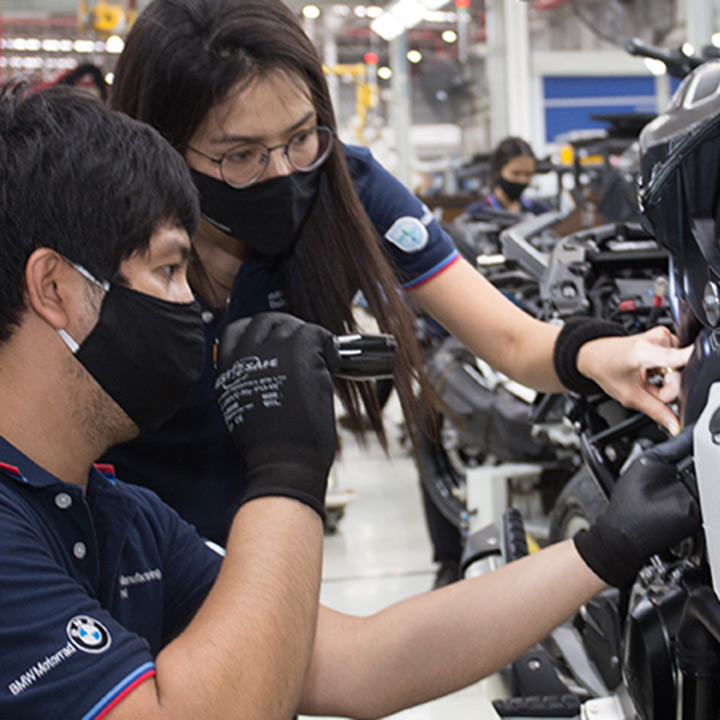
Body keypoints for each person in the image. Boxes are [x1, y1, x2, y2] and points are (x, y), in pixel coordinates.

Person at [0, 82, 701, 719]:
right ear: (56, 289)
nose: (193, 305)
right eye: (170, 270)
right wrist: (284, 468)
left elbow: (360, 663)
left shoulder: (118, 515)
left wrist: (606, 547)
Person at [106, 0, 691, 549]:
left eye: (301, 137)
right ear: (161, 143)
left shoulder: (346, 188)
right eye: (240, 155)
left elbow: (511, 339)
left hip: (262, 546)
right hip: (112, 543)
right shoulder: (103, 228)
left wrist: (605, 356)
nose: (283, 172)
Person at [464, 136, 550, 218]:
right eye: (516, 173)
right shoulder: (478, 213)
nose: (522, 180)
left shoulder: (540, 211)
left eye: (528, 174)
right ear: (498, 170)